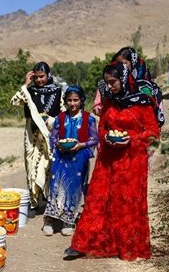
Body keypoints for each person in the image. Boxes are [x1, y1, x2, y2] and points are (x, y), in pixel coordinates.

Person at [65, 62, 160, 261]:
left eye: (113, 82)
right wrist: (107, 137)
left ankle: (126, 245)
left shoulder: (142, 102)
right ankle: (83, 243)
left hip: (132, 161)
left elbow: (153, 133)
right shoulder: (109, 102)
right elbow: (102, 129)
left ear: (124, 79)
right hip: (108, 159)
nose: (109, 87)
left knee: (125, 203)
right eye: (107, 83)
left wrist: (131, 140)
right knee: (98, 200)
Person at [42, 85, 99, 236]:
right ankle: (50, 219)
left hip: (79, 157)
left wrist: (81, 145)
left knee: (73, 187)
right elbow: (53, 136)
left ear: (81, 100)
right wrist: (57, 144)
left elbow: (95, 139)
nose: (73, 103)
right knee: (56, 184)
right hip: (61, 157)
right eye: (69, 100)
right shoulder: (61, 118)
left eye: (76, 100)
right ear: (65, 101)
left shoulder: (89, 119)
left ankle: (68, 220)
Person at [11, 62, 63, 217]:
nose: (40, 80)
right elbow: (14, 102)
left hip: (48, 134)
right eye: (37, 77)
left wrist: (52, 122)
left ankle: (46, 199)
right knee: (31, 163)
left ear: (48, 75)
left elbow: (63, 112)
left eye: (42, 76)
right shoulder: (29, 91)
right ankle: (34, 202)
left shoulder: (57, 92)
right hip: (31, 134)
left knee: (47, 164)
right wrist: (26, 84)